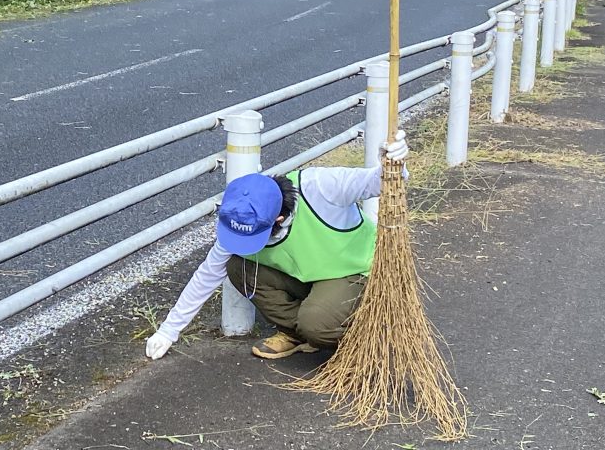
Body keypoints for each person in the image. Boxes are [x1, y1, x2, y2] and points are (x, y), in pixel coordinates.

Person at [145, 131, 409, 362]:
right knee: (237, 267)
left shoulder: (319, 187)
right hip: (304, 278)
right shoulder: (242, 214)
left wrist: (391, 162)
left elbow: (378, 182)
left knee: (316, 324)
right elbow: (206, 275)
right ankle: (301, 333)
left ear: (279, 219)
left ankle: (345, 329)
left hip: (352, 272)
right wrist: (169, 331)